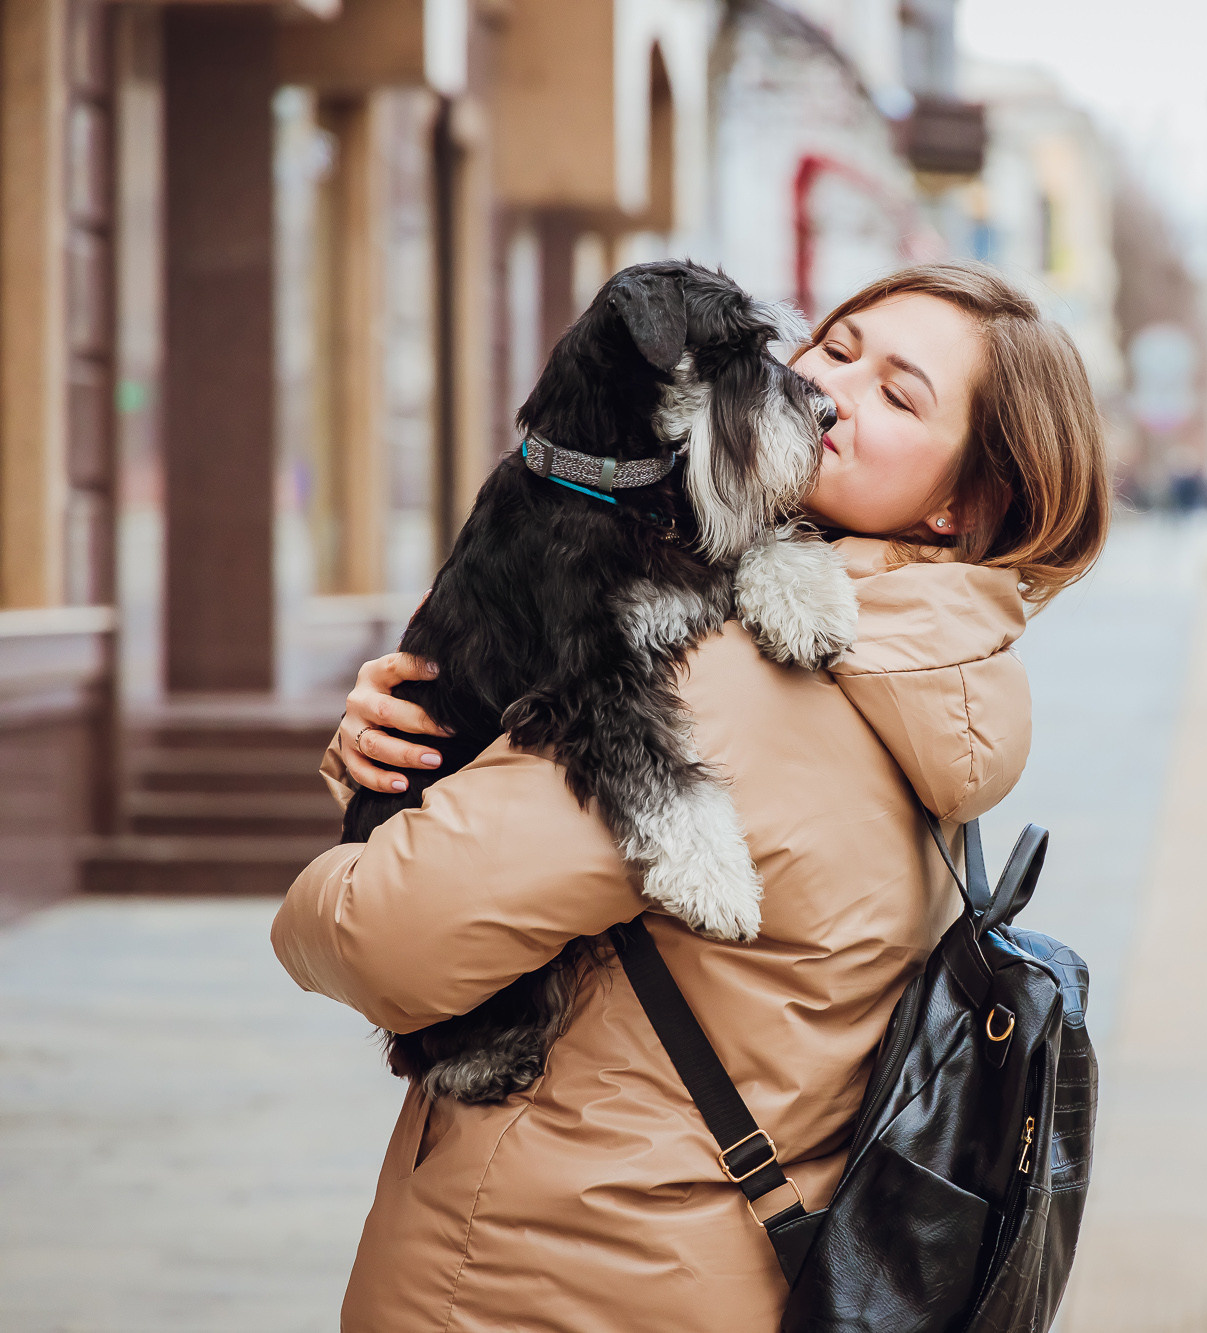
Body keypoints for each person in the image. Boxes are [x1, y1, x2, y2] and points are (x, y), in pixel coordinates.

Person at [270, 262, 1109, 1332]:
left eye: (899, 397)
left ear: (963, 505)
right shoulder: (926, 671)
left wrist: (359, 827)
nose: (830, 391)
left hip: (549, 1283)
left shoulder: (724, 678)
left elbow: (381, 937)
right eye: (833, 348)